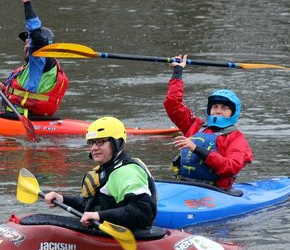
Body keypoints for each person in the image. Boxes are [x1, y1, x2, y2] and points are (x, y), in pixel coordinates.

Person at [44, 116, 157, 231]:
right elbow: (91, 205)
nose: (93, 148)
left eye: (100, 142)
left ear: (116, 142)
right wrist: (62, 199)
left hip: (134, 237)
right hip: (109, 233)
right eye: (91, 143)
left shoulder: (128, 172)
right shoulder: (106, 169)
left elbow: (144, 212)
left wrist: (99, 216)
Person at [163, 55, 253, 189]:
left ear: (233, 112)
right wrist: (177, 72)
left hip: (216, 192)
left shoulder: (236, 138)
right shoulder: (194, 126)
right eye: (215, 107)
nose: (218, 111)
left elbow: (230, 168)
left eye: (224, 108)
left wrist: (196, 148)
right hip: (184, 186)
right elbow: (173, 104)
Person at [0, 0, 69, 118]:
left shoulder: (42, 61)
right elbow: (28, 90)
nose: (26, 45)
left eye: (29, 42)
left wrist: (27, 3)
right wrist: (3, 87)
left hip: (24, 118)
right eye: (26, 42)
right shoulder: (33, 67)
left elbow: (37, 38)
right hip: (16, 115)